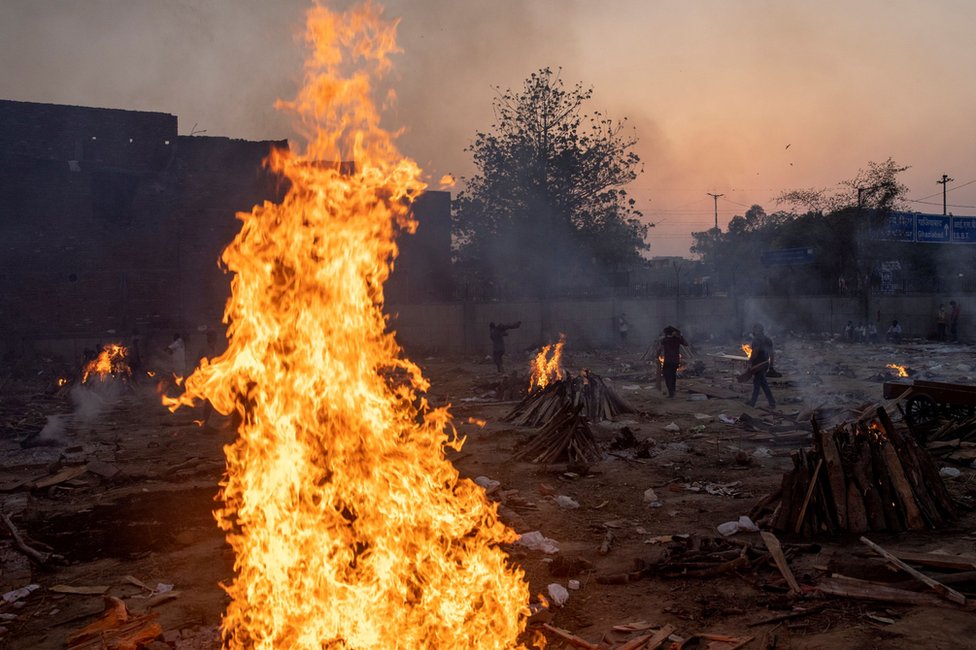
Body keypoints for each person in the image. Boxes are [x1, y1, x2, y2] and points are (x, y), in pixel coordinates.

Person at [746, 323, 776, 410]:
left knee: (757, 384)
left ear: (756, 330)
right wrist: (771, 366)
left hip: (758, 365)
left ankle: (752, 403)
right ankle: (772, 402)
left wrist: (750, 362)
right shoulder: (768, 340)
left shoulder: (756, 340)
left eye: (754, 329)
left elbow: (755, 352)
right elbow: (772, 354)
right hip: (765, 364)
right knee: (763, 383)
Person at [655, 326, 688, 398]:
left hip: (668, 361)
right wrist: (680, 336)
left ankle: (671, 393)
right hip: (676, 361)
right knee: (673, 376)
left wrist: (657, 356)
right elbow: (686, 343)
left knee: (667, 376)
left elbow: (659, 349)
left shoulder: (665, 340)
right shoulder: (677, 339)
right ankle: (673, 391)